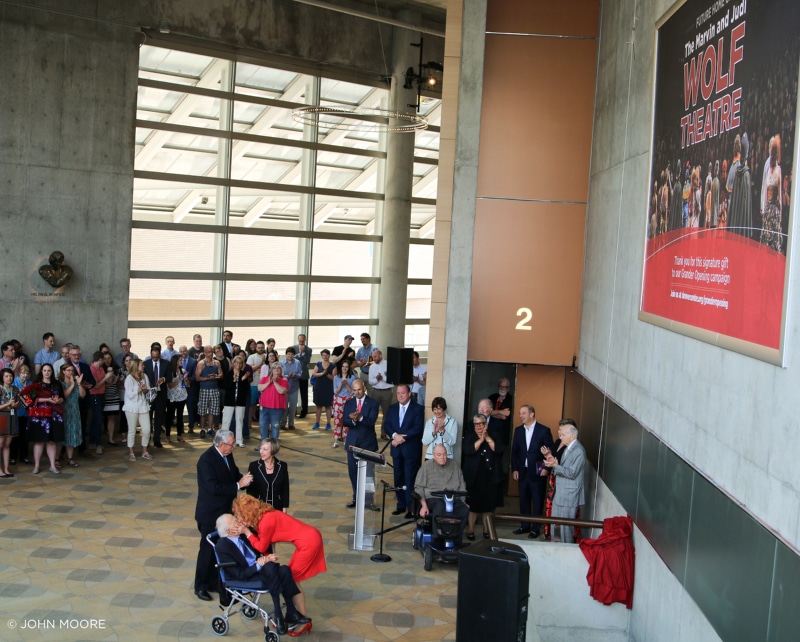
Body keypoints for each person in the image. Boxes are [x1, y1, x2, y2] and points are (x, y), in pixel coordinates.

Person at [233, 494, 326, 622]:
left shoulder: (265, 522)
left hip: (309, 542)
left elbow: (261, 547)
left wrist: (247, 533)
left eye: (241, 516)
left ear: (248, 513)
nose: (240, 520)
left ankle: (301, 619)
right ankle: (297, 615)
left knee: (291, 579)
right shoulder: (265, 513)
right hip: (310, 537)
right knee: (291, 578)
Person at [214, 513, 310, 635]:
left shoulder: (243, 536)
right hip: (247, 576)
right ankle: (279, 613)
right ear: (229, 530)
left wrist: (265, 558)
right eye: (235, 521)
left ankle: (289, 612)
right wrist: (260, 564)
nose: (239, 522)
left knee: (285, 570)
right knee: (271, 567)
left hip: (261, 570)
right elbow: (240, 574)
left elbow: (261, 546)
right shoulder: (222, 546)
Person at [193, 429, 253, 601]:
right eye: (231, 444)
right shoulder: (206, 460)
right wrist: (237, 484)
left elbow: (233, 474)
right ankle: (200, 585)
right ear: (221, 444)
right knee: (207, 549)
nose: (233, 446)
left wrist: (244, 481)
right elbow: (213, 488)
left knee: (220, 549)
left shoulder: (227, 455)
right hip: (210, 514)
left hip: (225, 512)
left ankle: (214, 582)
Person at [510, 404, 554, 539]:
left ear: (532, 414)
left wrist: (546, 468)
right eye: (519, 413)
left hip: (538, 470)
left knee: (537, 499)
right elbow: (514, 452)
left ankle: (535, 528)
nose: (520, 416)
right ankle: (524, 526)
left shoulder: (543, 430)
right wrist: (515, 468)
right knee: (523, 499)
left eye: (523, 413)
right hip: (522, 471)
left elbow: (550, 451)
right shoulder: (518, 431)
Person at [414, 444, 469, 542]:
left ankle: (456, 536)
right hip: (433, 498)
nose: (442, 457)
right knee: (440, 507)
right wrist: (424, 505)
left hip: (453, 497)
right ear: (434, 455)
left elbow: (461, 483)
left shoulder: (454, 464)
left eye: (444, 454)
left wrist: (463, 500)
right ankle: (437, 537)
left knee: (464, 510)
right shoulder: (427, 466)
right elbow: (418, 487)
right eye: (439, 455)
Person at [542, 419, 586, 543]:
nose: (560, 436)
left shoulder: (578, 451)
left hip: (569, 496)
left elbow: (572, 473)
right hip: (560, 493)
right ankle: (555, 547)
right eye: (560, 434)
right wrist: (554, 462)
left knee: (566, 528)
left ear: (572, 436)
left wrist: (556, 466)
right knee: (556, 525)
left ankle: (566, 551)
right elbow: (563, 468)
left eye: (563, 435)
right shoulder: (568, 448)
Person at [385, 384, 425, 518]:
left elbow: (418, 428)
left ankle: (411, 508)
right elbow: (387, 425)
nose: (400, 396)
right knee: (398, 477)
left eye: (403, 393)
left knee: (409, 479)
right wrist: (395, 436)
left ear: (409, 394)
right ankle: (400, 505)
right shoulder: (392, 408)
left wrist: (401, 438)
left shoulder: (418, 409)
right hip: (396, 449)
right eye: (398, 393)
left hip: (410, 450)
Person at [462, 413, 504, 540]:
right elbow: (468, 450)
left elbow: (498, 449)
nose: (479, 426)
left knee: (489, 505)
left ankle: (487, 530)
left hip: (490, 476)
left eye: (481, 424)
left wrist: (487, 437)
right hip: (474, 476)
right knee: (473, 505)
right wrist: (480, 440)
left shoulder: (495, 434)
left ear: (486, 424)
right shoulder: (470, 436)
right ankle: (470, 529)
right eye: (476, 424)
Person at [19, 364, 65, 474]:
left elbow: (63, 397)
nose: (47, 372)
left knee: (52, 441)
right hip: (40, 415)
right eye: (45, 370)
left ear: (52, 372)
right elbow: (32, 399)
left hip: (54, 414)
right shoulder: (36, 384)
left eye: (49, 370)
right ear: (42, 372)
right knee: (39, 441)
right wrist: (48, 399)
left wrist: (58, 401)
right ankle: (37, 466)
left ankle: (53, 466)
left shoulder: (57, 383)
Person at [342, 379, 379, 507]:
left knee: (368, 473)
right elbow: (344, 421)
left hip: (367, 443)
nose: (357, 392)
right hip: (352, 443)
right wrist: (352, 420)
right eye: (355, 390)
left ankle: (368, 500)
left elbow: (371, 422)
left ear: (364, 388)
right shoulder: (349, 403)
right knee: (353, 472)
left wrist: (360, 418)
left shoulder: (373, 403)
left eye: (359, 389)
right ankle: (356, 498)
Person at [247, 438, 290, 511]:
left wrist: (284, 507)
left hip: (277, 508)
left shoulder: (282, 466)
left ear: (273, 451)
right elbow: (250, 491)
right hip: (259, 508)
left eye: (265, 449)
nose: (261, 451)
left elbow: (285, 489)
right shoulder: (254, 466)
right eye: (260, 448)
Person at [123, 358, 152, 461]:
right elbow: (129, 394)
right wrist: (138, 390)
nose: (143, 366)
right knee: (132, 430)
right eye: (141, 365)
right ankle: (131, 452)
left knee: (147, 429)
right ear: (136, 366)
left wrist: (144, 390)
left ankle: (145, 451)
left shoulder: (145, 376)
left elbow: (147, 390)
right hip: (132, 406)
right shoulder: (129, 379)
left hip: (143, 405)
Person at [58, 363, 85, 468]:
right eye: (68, 370)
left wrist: (78, 384)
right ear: (63, 371)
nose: (71, 372)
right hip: (64, 412)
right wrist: (72, 385)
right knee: (62, 436)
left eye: (72, 370)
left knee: (72, 435)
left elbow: (82, 395)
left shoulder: (76, 382)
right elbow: (63, 395)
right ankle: (57, 458)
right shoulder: (60, 383)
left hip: (74, 412)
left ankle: (70, 458)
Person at [760, 135, 783, 252]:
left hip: (768, 209)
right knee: (773, 241)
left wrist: (763, 207)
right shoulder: (777, 170)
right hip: (773, 210)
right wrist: (781, 218)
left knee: (767, 241)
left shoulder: (769, 168)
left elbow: (764, 189)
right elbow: (779, 197)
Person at [143, 343, 169, 449]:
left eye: (156, 357)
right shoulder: (146, 364)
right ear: (150, 355)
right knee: (147, 417)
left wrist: (163, 379)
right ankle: (147, 439)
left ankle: (157, 439)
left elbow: (169, 376)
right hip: (149, 394)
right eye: (153, 357)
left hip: (161, 394)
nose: (155, 359)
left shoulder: (165, 364)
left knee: (159, 417)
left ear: (159, 355)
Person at [195, 345, 222, 437]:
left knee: (213, 410)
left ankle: (210, 428)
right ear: (205, 353)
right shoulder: (201, 363)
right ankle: (203, 429)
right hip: (204, 389)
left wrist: (216, 376)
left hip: (214, 389)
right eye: (209, 352)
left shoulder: (217, 362)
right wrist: (208, 378)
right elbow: (197, 378)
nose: (211, 354)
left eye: (212, 352)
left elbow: (221, 374)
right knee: (202, 410)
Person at [222, 355, 248, 446]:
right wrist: (233, 380)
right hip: (229, 401)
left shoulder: (244, 374)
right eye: (237, 362)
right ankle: (224, 440)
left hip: (240, 401)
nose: (238, 364)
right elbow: (226, 387)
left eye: (240, 363)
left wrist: (242, 380)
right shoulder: (229, 374)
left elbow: (246, 389)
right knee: (226, 420)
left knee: (239, 420)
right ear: (233, 363)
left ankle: (239, 441)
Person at [258, 363, 288, 441]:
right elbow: (260, 388)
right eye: (274, 368)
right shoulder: (265, 378)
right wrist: (269, 382)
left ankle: (273, 446)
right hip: (264, 407)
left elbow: (281, 391)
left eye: (279, 368)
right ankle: (264, 443)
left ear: (281, 370)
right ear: (271, 370)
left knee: (275, 426)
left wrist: (275, 382)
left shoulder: (284, 379)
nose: (276, 369)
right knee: (263, 425)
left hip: (277, 408)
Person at [368, 349, 393, 438]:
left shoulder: (388, 364)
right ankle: (371, 433)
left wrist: (382, 378)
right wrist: (377, 379)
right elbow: (370, 381)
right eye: (373, 357)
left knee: (386, 413)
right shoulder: (372, 367)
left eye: (375, 357)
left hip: (387, 391)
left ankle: (383, 433)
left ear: (380, 356)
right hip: (375, 391)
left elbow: (392, 380)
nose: (373, 359)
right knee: (373, 412)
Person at [0, 368, 20, 477]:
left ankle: (7, 468)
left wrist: (16, 405)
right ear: (2, 377)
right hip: (2, 416)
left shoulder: (16, 389)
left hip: (12, 417)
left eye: (11, 376)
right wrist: (8, 404)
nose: (9, 378)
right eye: (7, 376)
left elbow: (19, 404)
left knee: (7, 444)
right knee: (0, 444)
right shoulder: (0, 389)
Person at [331, 359, 356, 448]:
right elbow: (336, 391)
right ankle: (336, 440)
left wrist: (346, 384)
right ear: (340, 367)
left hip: (348, 400)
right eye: (343, 366)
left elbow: (352, 392)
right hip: (338, 400)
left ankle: (346, 440)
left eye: (346, 367)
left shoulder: (352, 377)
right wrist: (341, 384)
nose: (344, 368)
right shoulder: (336, 377)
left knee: (347, 420)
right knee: (337, 420)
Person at [165, 353, 188, 444]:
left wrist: (186, 380)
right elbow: (170, 385)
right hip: (172, 397)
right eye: (180, 360)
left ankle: (179, 435)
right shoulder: (170, 372)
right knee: (170, 416)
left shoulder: (183, 370)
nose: (181, 362)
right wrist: (179, 379)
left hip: (182, 396)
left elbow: (187, 384)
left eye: (182, 360)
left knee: (180, 416)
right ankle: (167, 435)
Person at [101, 352, 122, 446]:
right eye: (105, 358)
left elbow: (119, 383)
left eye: (109, 358)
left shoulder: (116, 369)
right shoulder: (101, 370)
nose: (107, 360)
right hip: (104, 397)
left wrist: (120, 380)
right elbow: (103, 384)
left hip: (114, 397)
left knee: (112, 418)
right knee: (102, 417)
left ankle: (111, 438)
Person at [311, 349, 334, 431]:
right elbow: (314, 374)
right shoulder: (318, 364)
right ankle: (317, 422)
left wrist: (327, 374)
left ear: (329, 356)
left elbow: (334, 378)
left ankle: (328, 423)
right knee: (318, 406)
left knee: (328, 406)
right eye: (323, 355)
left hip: (328, 388)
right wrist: (322, 373)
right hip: (319, 387)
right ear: (321, 356)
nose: (325, 357)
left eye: (326, 355)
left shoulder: (333, 366)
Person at [279, 347, 302, 431]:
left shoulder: (297, 362)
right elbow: (280, 375)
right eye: (288, 354)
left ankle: (291, 424)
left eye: (292, 354)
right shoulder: (281, 363)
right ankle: (282, 423)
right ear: (286, 354)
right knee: (284, 407)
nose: (290, 356)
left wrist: (295, 375)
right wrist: (287, 376)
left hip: (294, 388)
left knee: (293, 407)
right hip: (284, 389)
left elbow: (300, 374)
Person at [178, 345, 198, 433]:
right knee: (180, 409)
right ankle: (180, 427)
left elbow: (195, 375)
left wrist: (189, 380)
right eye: (181, 351)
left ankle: (191, 426)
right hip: (179, 388)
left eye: (184, 351)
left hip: (190, 388)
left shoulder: (193, 361)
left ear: (187, 351)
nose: (183, 353)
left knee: (191, 408)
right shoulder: (177, 361)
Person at [294, 334, 312, 419]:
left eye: (303, 341)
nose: (301, 343)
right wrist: (299, 354)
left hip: (304, 374)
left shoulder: (309, 350)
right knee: (293, 393)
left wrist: (303, 353)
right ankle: (293, 411)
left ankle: (304, 412)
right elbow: (292, 359)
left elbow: (307, 361)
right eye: (300, 341)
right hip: (294, 375)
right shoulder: (293, 348)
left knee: (304, 394)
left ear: (305, 340)